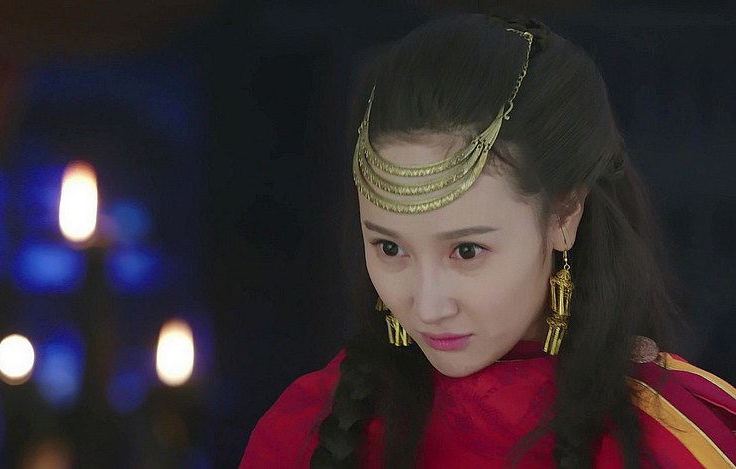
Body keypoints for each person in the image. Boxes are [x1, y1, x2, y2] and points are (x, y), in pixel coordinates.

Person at [240, 14, 736, 469]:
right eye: (390, 249)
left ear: (564, 214)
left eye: (466, 251)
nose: (428, 307)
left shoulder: (671, 442)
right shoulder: (304, 433)